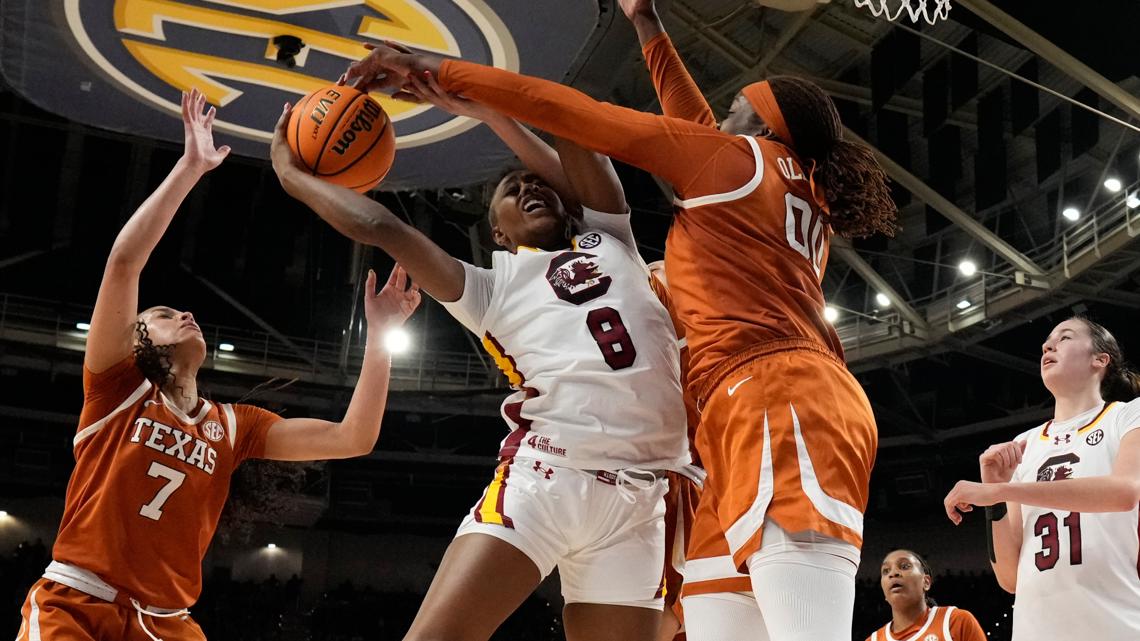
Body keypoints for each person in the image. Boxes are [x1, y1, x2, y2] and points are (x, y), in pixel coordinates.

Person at [344, 12, 898, 640]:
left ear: (762, 130)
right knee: (711, 620)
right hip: (718, 428)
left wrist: (440, 71)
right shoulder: (770, 187)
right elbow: (694, 121)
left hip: (773, 399)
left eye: (732, 111)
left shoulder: (728, 170)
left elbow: (575, 115)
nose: (715, 120)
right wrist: (647, 26)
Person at [270, 91, 691, 640]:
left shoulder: (611, 239)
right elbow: (383, 228)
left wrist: (495, 112)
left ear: (566, 203)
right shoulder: (488, 288)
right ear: (497, 234)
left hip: (641, 501)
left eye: (537, 184)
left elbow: (575, 133)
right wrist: (291, 177)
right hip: (549, 479)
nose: (528, 188)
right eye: (511, 190)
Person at [14, 89, 419, 641]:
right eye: (162, 315)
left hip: (167, 623)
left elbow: (354, 437)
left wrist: (381, 338)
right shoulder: (116, 388)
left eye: (180, 311)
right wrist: (190, 168)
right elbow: (125, 261)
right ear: (136, 341)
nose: (184, 314)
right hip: (78, 603)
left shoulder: (233, 427)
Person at [943, 316, 1140, 640]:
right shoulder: (1024, 444)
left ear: (1100, 359)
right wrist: (995, 494)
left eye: (1065, 337)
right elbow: (1010, 578)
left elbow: (1124, 492)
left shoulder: (1127, 415)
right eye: (1047, 342)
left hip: (1116, 627)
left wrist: (1003, 489)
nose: (1048, 346)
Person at [865, 549, 986, 641]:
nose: (893, 573)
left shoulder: (956, 621)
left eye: (904, 566)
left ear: (926, 582)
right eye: (886, 571)